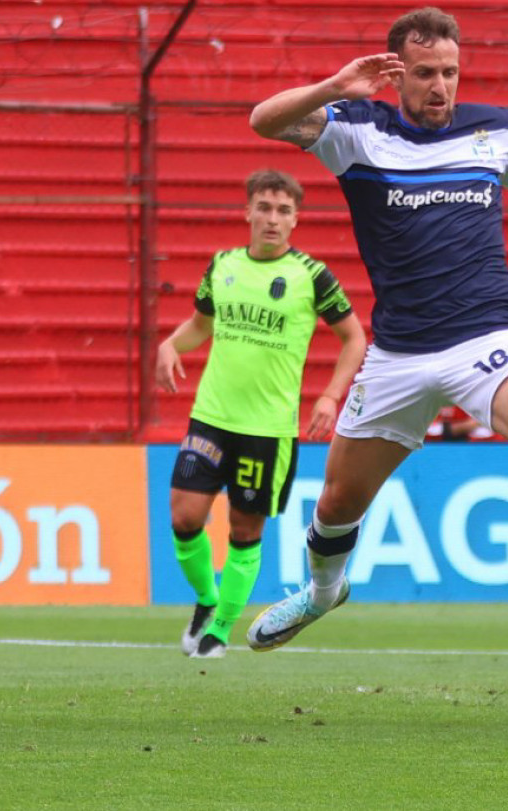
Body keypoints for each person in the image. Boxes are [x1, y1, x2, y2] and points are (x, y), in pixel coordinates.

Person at [243, 7, 508, 697]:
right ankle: (324, 592)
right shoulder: (357, 131)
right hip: (398, 353)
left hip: (484, 334)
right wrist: (334, 85)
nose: (440, 85)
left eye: (449, 71)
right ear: (396, 76)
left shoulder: (495, 128)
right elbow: (262, 122)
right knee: (337, 501)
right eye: (424, 73)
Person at [157, 168, 367, 659]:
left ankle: (219, 630)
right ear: (248, 211)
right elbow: (199, 325)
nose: (273, 219)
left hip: (268, 430)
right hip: (211, 416)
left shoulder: (311, 276)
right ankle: (208, 602)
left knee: (245, 531)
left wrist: (330, 395)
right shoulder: (223, 265)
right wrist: (171, 343)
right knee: (184, 517)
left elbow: (354, 336)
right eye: (265, 208)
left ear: (296, 220)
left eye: (284, 211)